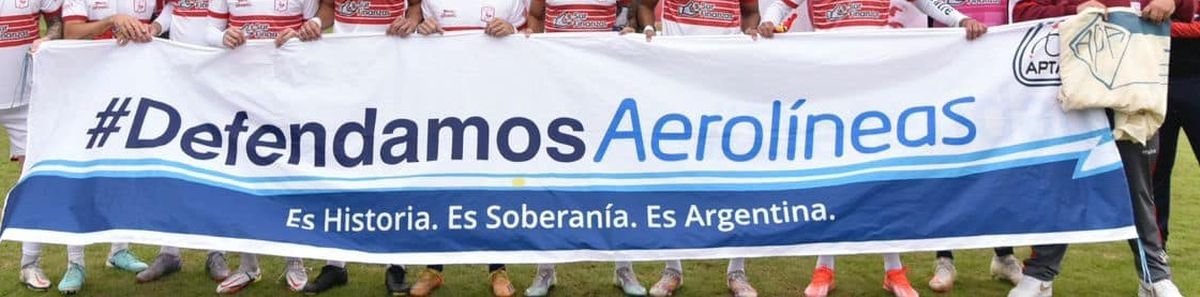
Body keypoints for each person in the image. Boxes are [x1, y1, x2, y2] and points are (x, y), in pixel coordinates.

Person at [755, 1, 984, 297]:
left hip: (877, 91)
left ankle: (894, 270)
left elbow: (926, 3)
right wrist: (769, 21)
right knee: (831, 180)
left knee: (881, 180)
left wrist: (960, 20)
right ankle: (824, 268)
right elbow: (780, 5)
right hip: (830, 94)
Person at [1010, 0, 1191, 295]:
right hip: (1072, 93)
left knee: (1138, 190)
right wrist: (1073, 9)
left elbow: (1186, 11)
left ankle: (1154, 276)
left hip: (1136, 93)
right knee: (1063, 185)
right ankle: (1040, 275)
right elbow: (1023, 11)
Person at [632, 2, 763, 296]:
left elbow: (750, 11)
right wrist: (649, 27)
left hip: (724, 83)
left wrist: (749, 32)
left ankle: (737, 271)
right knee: (674, 178)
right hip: (676, 82)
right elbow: (645, 5)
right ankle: (672, 269)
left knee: (734, 180)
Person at [521, 2, 648, 295]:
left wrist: (630, 29)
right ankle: (545, 270)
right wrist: (534, 47)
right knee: (552, 182)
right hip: (557, 89)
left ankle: (624, 268)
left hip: (600, 88)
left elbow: (632, 10)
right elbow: (536, 17)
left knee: (614, 180)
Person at [298, 0, 424, 294]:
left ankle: (396, 265)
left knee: (393, 167)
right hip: (346, 75)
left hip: (390, 74)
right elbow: (328, 8)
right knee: (341, 166)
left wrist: (411, 20)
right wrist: (316, 23)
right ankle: (335, 264)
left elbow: (418, 6)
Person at [406, 2, 526, 296]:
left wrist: (512, 30)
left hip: (493, 104)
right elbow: (418, 31)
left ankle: (498, 270)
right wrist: (423, 30)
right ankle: (433, 269)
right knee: (440, 183)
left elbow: (532, 34)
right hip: (445, 103)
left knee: (493, 185)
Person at [203, 0, 321, 292]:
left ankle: (294, 260)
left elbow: (315, 23)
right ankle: (248, 265)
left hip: (287, 88)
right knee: (244, 177)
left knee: (288, 175)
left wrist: (304, 31)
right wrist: (223, 37)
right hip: (241, 90)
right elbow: (209, 30)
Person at [126, 0, 234, 285]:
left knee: (216, 165)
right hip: (176, 76)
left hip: (217, 73)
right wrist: (155, 27)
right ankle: (169, 252)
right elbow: (173, 9)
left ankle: (216, 250)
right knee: (173, 164)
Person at [920, 0, 1022, 292]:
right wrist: (960, 21)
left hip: (999, 78)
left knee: (998, 168)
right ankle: (944, 259)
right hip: (947, 77)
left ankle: (1004, 255)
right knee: (946, 170)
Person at [6, 0, 67, 293]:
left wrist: (48, 38)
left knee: (33, 180)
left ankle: (29, 263)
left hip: (25, 99)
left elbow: (57, 22)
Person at [1151, 0, 1199, 252]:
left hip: (1195, 81)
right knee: (1156, 171)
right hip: (1155, 84)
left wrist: (1160, 26)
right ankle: (1156, 251)